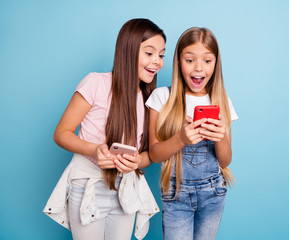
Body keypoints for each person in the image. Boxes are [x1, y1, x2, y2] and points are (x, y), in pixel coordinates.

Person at [43, 18, 166, 240]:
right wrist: (93, 150)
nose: (157, 61)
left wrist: (137, 161)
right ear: (127, 51)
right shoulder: (95, 83)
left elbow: (150, 154)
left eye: (161, 55)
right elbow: (61, 133)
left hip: (126, 190)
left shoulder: (151, 99)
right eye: (149, 53)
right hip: (88, 185)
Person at [146, 27, 238, 240]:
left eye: (207, 60)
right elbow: (154, 154)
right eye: (190, 60)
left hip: (213, 193)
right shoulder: (162, 98)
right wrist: (181, 139)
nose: (199, 68)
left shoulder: (223, 102)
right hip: (176, 193)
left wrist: (220, 136)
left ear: (216, 64)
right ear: (178, 62)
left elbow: (225, 161)